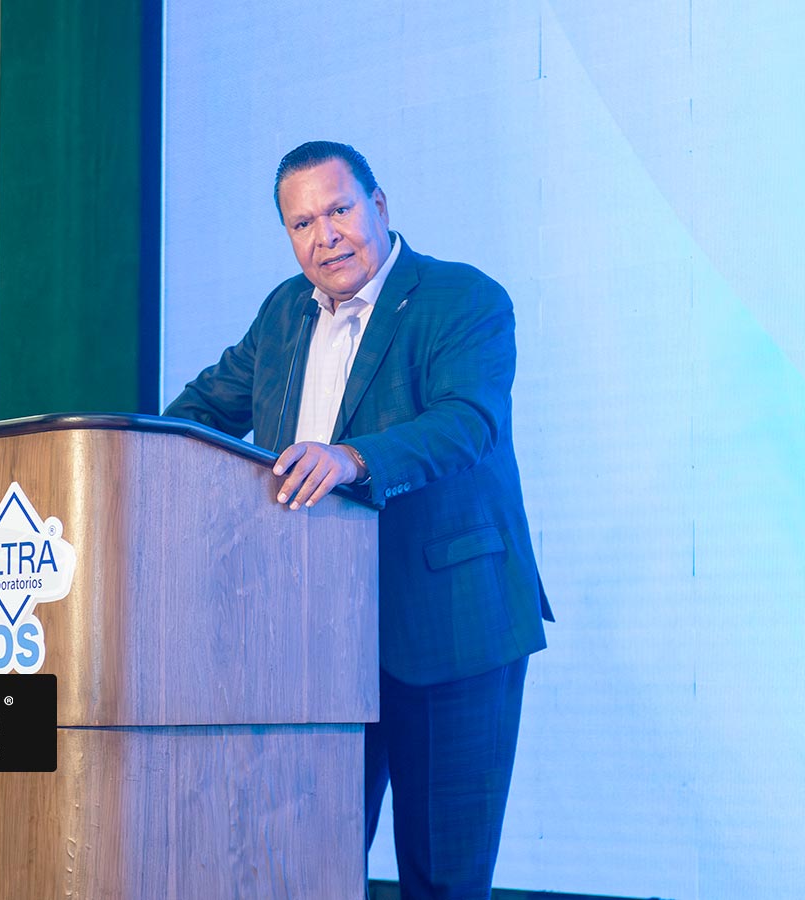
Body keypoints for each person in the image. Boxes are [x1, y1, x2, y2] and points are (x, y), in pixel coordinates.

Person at [165, 140, 553, 899]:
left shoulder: (461, 298)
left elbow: (467, 422)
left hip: (449, 626)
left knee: (443, 879)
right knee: (307, 868)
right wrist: (126, 452)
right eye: (302, 223)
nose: (326, 235)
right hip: (315, 641)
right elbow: (200, 412)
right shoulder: (284, 313)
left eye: (338, 210)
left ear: (378, 205)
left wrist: (351, 459)